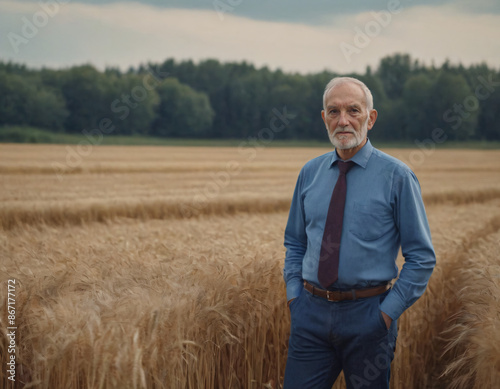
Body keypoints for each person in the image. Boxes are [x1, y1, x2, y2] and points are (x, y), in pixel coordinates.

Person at [282, 76, 436, 389]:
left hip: (369, 315)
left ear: (371, 117)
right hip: (310, 315)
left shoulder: (397, 176)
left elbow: (421, 257)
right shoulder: (310, 173)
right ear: (324, 118)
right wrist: (294, 299)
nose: (343, 121)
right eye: (333, 111)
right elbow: (295, 243)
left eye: (353, 110)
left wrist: (385, 315)